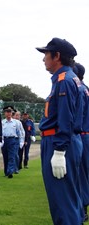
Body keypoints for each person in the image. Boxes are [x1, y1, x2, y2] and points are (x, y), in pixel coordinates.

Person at [36, 37, 84, 224]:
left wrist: (59, 151)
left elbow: (66, 118)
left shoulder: (64, 80)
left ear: (57, 56)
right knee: (69, 199)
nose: (43, 59)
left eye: (46, 54)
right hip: (65, 141)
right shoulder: (68, 78)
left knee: (62, 202)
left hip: (58, 141)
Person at [73, 63, 89, 222]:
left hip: (81, 134)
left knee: (80, 173)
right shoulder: (86, 88)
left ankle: (83, 207)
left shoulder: (79, 89)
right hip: (85, 134)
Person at [1, 106, 24, 178]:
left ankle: (10, 171)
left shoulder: (16, 122)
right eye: (7, 112)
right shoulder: (2, 122)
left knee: (12, 156)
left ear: (12, 113)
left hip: (13, 140)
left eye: (10, 112)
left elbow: (20, 133)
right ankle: (6, 171)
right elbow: (0, 132)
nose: (8, 114)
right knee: (5, 156)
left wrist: (21, 141)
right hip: (4, 140)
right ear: (5, 113)